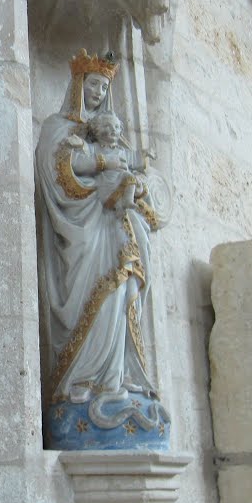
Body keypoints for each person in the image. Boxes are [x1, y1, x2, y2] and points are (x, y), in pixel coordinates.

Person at [35, 50, 160, 408]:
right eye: (93, 84)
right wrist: (104, 163)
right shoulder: (57, 128)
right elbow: (56, 174)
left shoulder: (113, 135)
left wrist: (134, 181)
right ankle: (81, 378)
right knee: (98, 298)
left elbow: (131, 174)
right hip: (82, 233)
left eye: (104, 87)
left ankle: (116, 377)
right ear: (78, 84)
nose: (98, 93)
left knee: (123, 294)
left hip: (116, 229)